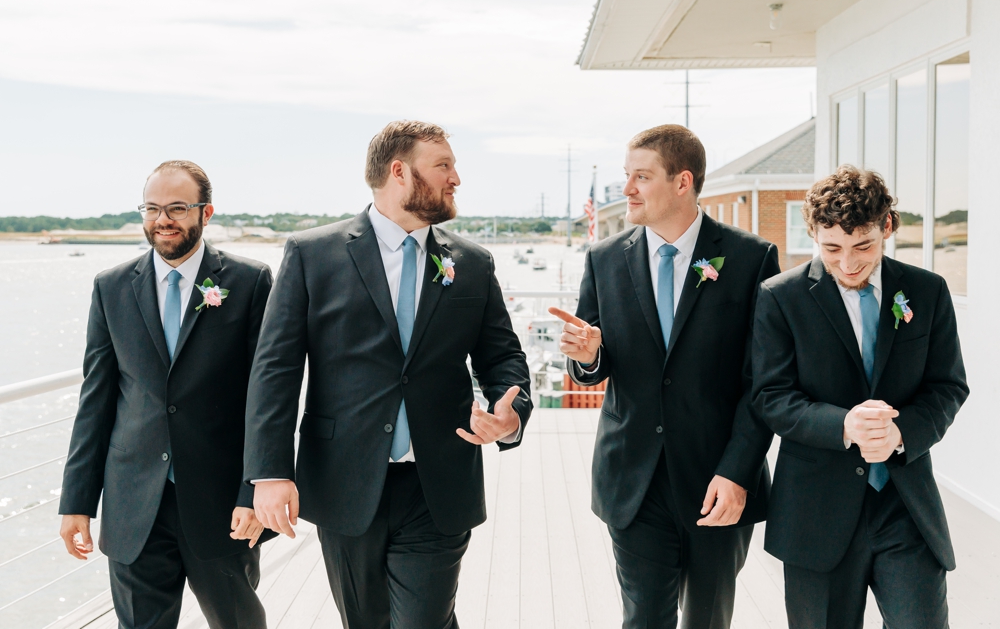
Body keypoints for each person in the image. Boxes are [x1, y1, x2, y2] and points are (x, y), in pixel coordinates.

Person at [244, 120, 532, 629]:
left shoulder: (472, 262)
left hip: (439, 480)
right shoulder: (312, 254)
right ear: (399, 171)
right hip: (343, 481)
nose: (456, 178)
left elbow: (502, 358)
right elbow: (275, 368)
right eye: (443, 165)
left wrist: (510, 415)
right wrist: (269, 473)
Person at [552, 124, 780, 629]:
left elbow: (762, 383)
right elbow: (592, 366)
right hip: (632, 479)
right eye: (625, 176)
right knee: (644, 619)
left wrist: (737, 472)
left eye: (641, 177)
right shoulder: (604, 259)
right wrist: (589, 356)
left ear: (682, 182)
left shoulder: (751, 259)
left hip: (717, 481)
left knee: (708, 620)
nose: (627, 189)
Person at [58, 160, 274, 629]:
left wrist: (253, 490)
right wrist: (76, 501)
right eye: (152, 208)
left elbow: (268, 398)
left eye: (177, 207)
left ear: (206, 212)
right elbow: (95, 400)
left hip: (224, 505)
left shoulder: (251, 281)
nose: (163, 220)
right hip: (134, 504)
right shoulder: (110, 287)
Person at [752, 166, 968, 628]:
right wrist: (844, 425)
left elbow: (948, 385)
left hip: (905, 506)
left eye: (863, 246)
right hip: (815, 513)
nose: (848, 264)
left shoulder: (927, 291)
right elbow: (771, 396)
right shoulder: (779, 298)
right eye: (832, 249)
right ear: (813, 233)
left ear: (887, 226)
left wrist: (901, 434)